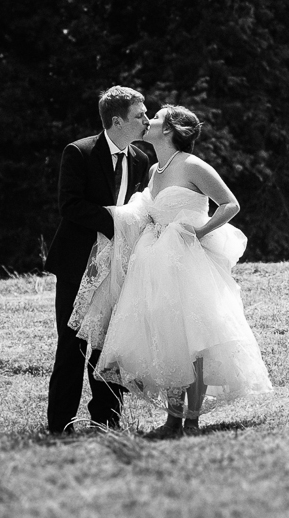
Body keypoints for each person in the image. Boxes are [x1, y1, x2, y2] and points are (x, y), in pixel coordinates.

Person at [96, 105, 271, 438]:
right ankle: (173, 416)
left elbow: (230, 203)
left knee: (195, 339)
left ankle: (191, 418)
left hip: (188, 261)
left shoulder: (192, 165)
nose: (147, 121)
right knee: (168, 335)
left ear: (169, 129)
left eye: (156, 117)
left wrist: (201, 233)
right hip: (156, 259)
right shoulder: (154, 171)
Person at [44, 86, 154, 435]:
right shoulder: (79, 152)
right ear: (117, 120)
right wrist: (117, 221)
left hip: (121, 262)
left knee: (112, 342)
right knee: (72, 341)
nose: (147, 120)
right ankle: (60, 424)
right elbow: (70, 206)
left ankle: (106, 419)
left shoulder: (140, 160)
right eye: (140, 115)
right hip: (80, 261)